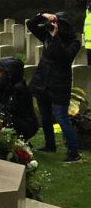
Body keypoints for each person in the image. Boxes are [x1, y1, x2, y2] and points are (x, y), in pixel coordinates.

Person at [26, 12, 81, 162]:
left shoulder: (74, 42)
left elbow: (65, 58)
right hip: (43, 80)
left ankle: (73, 152)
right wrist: (42, 15)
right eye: (56, 23)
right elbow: (30, 24)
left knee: (61, 117)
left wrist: (55, 37)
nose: (57, 27)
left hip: (60, 83)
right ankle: (50, 145)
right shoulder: (47, 34)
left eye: (61, 25)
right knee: (45, 116)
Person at [0, 57, 39, 140]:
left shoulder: (19, 88)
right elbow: (2, 99)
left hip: (26, 125)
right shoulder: (12, 84)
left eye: (0, 71)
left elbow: (8, 109)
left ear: (10, 73)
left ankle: (13, 142)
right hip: (19, 121)